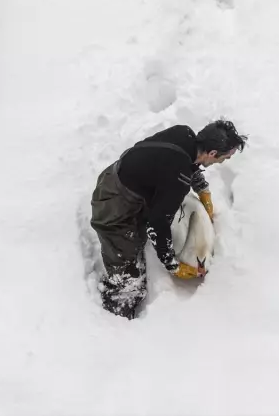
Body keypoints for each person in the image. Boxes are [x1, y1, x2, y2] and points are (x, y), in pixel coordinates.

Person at [90, 119, 247, 319]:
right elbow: (157, 225)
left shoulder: (183, 134)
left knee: (143, 232)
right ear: (212, 153)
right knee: (130, 282)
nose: (223, 162)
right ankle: (114, 323)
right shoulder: (178, 178)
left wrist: (203, 190)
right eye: (224, 158)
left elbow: (182, 164)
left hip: (119, 178)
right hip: (113, 206)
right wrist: (172, 264)